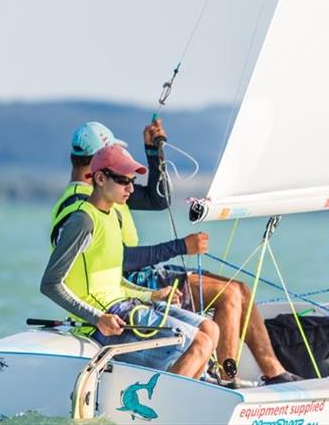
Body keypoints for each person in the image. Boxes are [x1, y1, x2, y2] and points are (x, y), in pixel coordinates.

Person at [57, 121, 300, 384]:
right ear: (99, 165)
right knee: (228, 294)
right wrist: (180, 247)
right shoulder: (82, 206)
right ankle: (227, 379)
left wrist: (154, 153)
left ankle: (271, 372)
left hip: (136, 280)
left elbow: (158, 199)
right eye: (116, 155)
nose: (129, 185)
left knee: (239, 289)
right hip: (127, 285)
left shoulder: (109, 193)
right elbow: (119, 262)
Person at [41, 145, 218, 378]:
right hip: (103, 321)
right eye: (124, 181)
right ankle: (165, 406)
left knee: (210, 329)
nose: (131, 188)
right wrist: (97, 319)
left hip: (126, 306)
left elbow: (113, 281)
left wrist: (151, 295)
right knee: (200, 344)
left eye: (132, 181)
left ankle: (182, 394)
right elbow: (50, 284)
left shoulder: (113, 215)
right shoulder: (83, 221)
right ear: (100, 178)